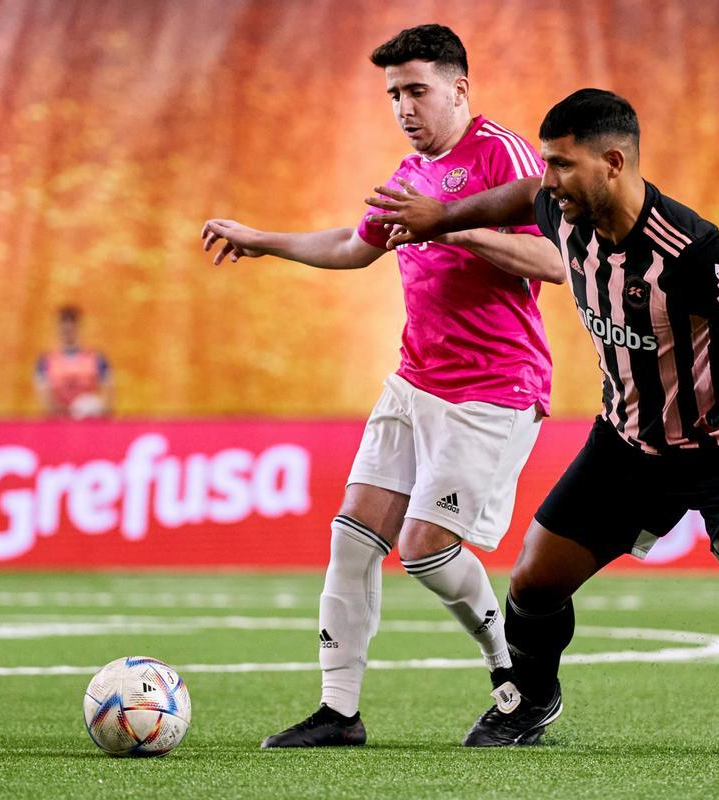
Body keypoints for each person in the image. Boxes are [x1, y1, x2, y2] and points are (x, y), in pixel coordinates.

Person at [366, 88, 719, 757]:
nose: (549, 181)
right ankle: (534, 697)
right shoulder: (560, 207)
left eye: (563, 165)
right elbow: (518, 197)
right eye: (547, 164)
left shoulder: (692, 252)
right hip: (630, 441)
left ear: (613, 162)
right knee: (533, 582)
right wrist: (442, 216)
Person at [200, 24, 561, 748]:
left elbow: (552, 259)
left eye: (417, 90)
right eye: (394, 93)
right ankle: (339, 712)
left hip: (494, 387)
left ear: (460, 89)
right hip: (414, 380)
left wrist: (449, 227)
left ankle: (517, 679)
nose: (403, 106)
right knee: (352, 536)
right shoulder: (407, 174)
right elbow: (353, 246)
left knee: (425, 549)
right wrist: (264, 240)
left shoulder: (504, 154)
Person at [34, 305, 113, 418]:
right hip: (57, 423)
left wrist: (95, 409)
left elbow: (108, 393)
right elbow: (44, 398)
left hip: (88, 421)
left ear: (78, 326)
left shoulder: (97, 358)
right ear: (58, 327)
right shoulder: (45, 361)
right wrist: (69, 412)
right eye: (64, 324)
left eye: (72, 324)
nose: (68, 329)